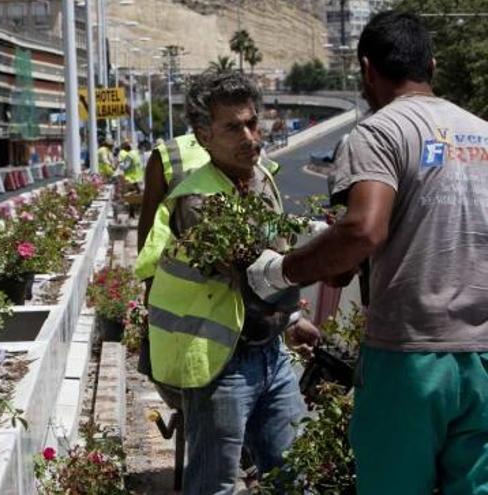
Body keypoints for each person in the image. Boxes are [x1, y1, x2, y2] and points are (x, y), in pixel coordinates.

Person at [246, 11, 488, 494]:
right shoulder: (482, 133)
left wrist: (283, 272)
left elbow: (363, 230)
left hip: (410, 356)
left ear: (366, 69)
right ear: (433, 66)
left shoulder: (378, 133)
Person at [148, 71, 320, 494]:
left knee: (292, 474)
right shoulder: (197, 199)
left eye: (252, 123)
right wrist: (329, 256)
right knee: (215, 483)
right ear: (204, 137)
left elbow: (275, 249)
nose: (249, 136)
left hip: (270, 355)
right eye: (233, 127)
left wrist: (292, 319)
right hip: (218, 361)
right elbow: (256, 272)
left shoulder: (261, 178)